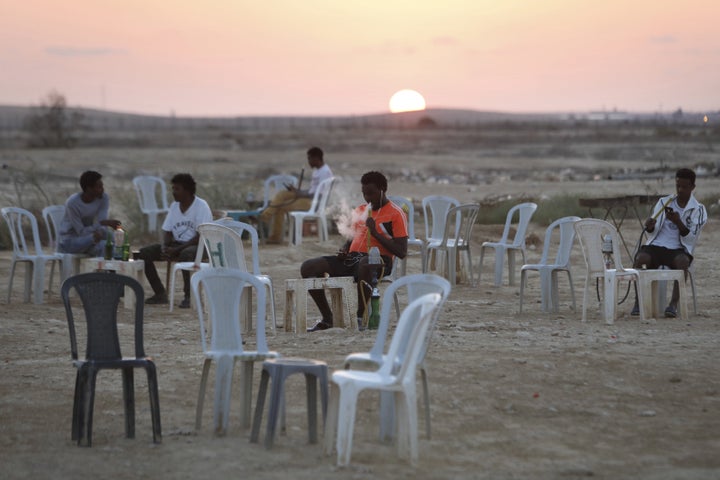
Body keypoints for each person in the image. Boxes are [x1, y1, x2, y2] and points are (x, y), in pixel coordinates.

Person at [301, 171, 408, 332]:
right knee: (308, 267)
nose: (368, 198)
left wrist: (376, 232)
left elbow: (401, 251)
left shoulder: (395, 213)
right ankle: (328, 318)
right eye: (364, 194)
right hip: (353, 259)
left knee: (365, 263)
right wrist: (344, 250)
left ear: (383, 189)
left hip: (379, 262)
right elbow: (352, 239)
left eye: (371, 193)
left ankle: (359, 316)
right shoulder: (361, 209)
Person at [631, 168, 706, 318]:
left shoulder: (699, 210)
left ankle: (673, 304)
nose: (680, 190)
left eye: (684, 187)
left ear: (693, 187)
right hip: (656, 246)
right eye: (678, 185)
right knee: (639, 259)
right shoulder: (664, 202)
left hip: (678, 249)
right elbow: (651, 231)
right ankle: (638, 302)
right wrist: (650, 227)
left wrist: (678, 222)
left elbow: (691, 238)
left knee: (683, 262)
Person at [138, 173, 213, 308]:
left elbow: (200, 237)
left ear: (187, 191)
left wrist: (176, 250)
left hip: (201, 246)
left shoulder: (201, 206)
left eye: (177, 189)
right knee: (143, 253)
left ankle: (189, 296)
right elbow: (167, 231)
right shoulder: (174, 206)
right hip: (177, 245)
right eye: (173, 189)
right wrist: (164, 247)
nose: (173, 192)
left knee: (186, 255)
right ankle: (160, 293)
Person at [259, 146, 333, 243]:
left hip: (312, 203)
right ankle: (266, 215)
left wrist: (300, 193)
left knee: (281, 208)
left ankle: (274, 236)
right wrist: (297, 191)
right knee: (282, 194)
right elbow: (312, 190)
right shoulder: (318, 170)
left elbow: (318, 195)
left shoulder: (325, 172)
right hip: (308, 198)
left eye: (309, 158)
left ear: (316, 158)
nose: (308, 161)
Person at [59, 170, 121, 256]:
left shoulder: (103, 198)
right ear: (89, 188)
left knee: (113, 238)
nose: (102, 190)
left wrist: (100, 231)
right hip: (71, 241)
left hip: (90, 236)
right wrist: (100, 226)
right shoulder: (72, 203)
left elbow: (102, 222)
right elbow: (81, 232)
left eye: (102, 186)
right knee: (103, 245)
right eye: (99, 187)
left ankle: (114, 266)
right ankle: (105, 268)